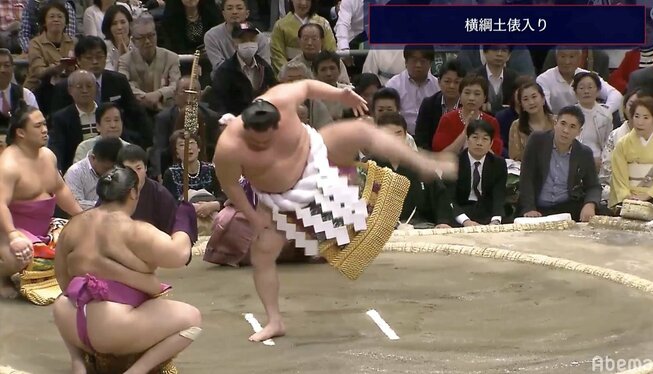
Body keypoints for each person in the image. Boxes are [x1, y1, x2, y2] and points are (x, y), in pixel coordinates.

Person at [213, 79, 458, 342]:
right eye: (255, 143)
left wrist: (341, 95)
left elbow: (307, 86)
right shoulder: (229, 148)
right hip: (278, 198)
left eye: (267, 140)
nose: (262, 146)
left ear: (279, 121)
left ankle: (422, 162)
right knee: (262, 256)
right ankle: (275, 321)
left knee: (360, 130)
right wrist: (253, 217)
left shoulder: (282, 98)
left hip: (314, 155)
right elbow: (230, 186)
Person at [52, 166, 201, 374]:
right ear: (132, 192)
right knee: (192, 319)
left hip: (69, 320)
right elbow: (179, 255)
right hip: (114, 328)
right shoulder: (136, 230)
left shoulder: (72, 226)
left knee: (62, 300)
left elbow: (62, 277)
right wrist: (183, 221)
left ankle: (78, 361)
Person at [0, 105, 82, 299]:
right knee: (17, 256)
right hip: (9, 230)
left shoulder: (48, 156)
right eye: (37, 126)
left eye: (44, 124)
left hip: (45, 228)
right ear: (20, 132)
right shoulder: (8, 165)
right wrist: (12, 235)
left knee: (83, 239)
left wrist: (81, 216)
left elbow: (60, 189)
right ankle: (2, 277)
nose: (44, 130)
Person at [609, 97, 653, 218]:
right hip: (629, 197)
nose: (640, 122)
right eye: (636, 116)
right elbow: (618, 176)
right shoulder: (623, 144)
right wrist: (627, 196)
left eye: (646, 117)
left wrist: (648, 195)